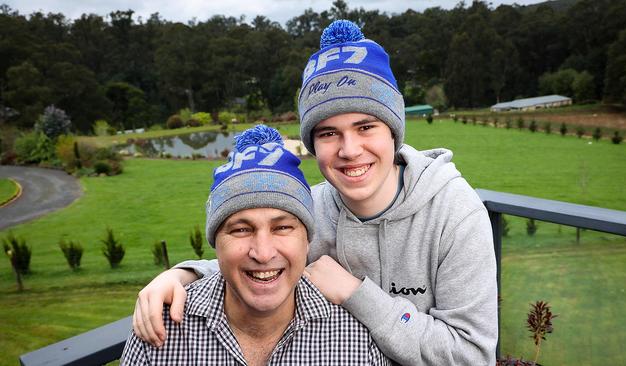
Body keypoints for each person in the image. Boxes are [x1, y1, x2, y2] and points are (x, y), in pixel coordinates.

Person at [133, 20, 498, 365]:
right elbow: (260, 257)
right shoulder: (314, 208)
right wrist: (179, 276)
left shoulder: (454, 213)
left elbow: (473, 356)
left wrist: (357, 294)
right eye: (328, 133)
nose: (349, 149)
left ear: (394, 131)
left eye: (365, 126)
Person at [121, 125, 391, 365]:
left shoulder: (355, 341)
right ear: (216, 242)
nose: (263, 253)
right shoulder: (158, 333)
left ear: (307, 240)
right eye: (241, 229)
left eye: (282, 228)